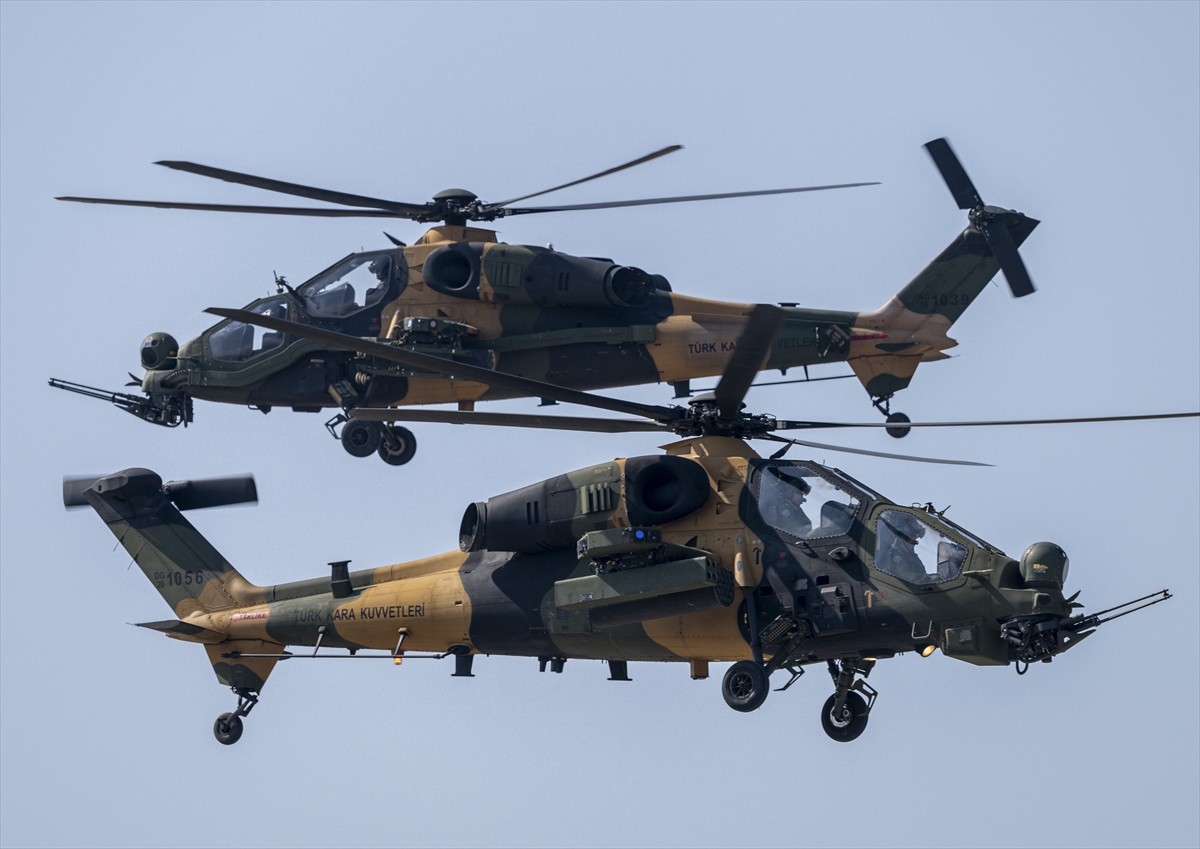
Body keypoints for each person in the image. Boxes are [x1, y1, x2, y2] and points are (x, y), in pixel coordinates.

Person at [878, 511, 930, 583]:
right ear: (904, 539)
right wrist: (920, 577)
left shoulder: (912, 555)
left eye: (915, 538)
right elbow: (903, 574)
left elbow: (922, 573)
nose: (914, 540)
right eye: (912, 537)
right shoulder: (898, 554)